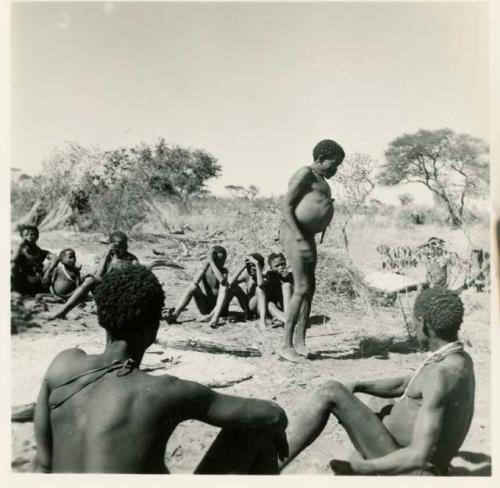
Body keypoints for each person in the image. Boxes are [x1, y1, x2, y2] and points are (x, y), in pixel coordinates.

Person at [34, 265, 288, 473]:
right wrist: (270, 424)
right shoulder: (163, 391)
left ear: (101, 317)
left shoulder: (63, 364)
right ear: (154, 328)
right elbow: (276, 415)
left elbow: (43, 465)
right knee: (255, 429)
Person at [278, 287, 475, 475]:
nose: (415, 330)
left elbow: (418, 456)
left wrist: (363, 467)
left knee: (331, 391)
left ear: (424, 324)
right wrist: (359, 385)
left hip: (411, 469)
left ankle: (270, 465)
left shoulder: (439, 376)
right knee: (380, 402)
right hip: (407, 451)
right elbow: (408, 385)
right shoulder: (458, 359)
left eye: (415, 325)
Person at [279, 139, 345, 362]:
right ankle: (285, 345)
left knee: (311, 288)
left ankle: (300, 341)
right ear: (320, 159)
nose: (335, 168)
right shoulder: (304, 173)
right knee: (301, 287)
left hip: (307, 235)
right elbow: (286, 206)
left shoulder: (321, 179)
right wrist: (299, 236)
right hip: (294, 232)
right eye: (333, 163)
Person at [46, 231, 139, 320]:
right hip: (106, 290)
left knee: (92, 280)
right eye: (118, 246)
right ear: (111, 245)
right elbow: (99, 275)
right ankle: (63, 312)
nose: (122, 249)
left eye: (124, 246)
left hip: (120, 293)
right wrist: (107, 255)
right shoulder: (108, 256)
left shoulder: (132, 260)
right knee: (90, 280)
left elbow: (137, 282)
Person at [164, 246, 229, 324]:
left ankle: (214, 317)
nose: (223, 263)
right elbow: (195, 281)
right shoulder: (205, 268)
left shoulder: (223, 271)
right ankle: (175, 314)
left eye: (224, 260)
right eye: (221, 261)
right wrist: (208, 264)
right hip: (205, 307)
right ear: (214, 259)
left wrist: (212, 263)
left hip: (218, 308)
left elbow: (222, 281)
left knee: (227, 288)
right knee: (193, 287)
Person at [206, 253, 267, 330]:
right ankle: (215, 317)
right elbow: (230, 283)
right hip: (247, 307)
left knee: (259, 289)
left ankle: (262, 321)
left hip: (257, 308)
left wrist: (257, 265)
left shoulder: (265, 277)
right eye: (249, 266)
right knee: (233, 288)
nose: (251, 268)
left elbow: (260, 284)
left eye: (254, 266)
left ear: (261, 267)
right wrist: (242, 267)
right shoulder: (247, 276)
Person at [11, 225, 54, 295]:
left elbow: (55, 257)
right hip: (23, 283)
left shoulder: (39, 252)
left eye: (32, 234)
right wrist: (20, 245)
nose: (30, 236)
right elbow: (13, 259)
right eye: (26, 235)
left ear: (37, 237)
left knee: (53, 267)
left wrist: (47, 272)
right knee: (13, 266)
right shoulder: (19, 252)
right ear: (22, 238)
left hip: (37, 282)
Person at [265, 252, 294, 325]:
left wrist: (288, 278)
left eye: (283, 264)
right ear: (271, 267)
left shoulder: (292, 276)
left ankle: (287, 319)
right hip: (280, 309)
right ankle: (285, 320)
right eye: (277, 266)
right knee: (270, 304)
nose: (280, 267)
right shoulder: (270, 277)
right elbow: (269, 297)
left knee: (286, 286)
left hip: (292, 309)